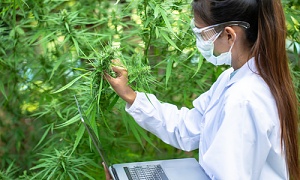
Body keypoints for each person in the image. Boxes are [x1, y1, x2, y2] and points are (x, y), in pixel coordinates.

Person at [104, 0, 300, 179]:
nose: (200, 40)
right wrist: (130, 96)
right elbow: (189, 128)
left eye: (202, 32)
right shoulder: (233, 79)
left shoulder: (244, 99)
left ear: (229, 35)